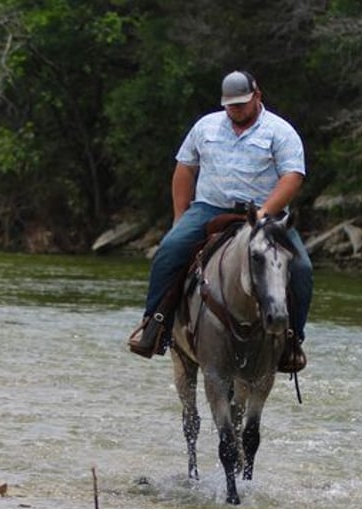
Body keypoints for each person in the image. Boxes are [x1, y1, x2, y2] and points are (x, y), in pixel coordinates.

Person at [127, 70, 312, 373]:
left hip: (265, 215)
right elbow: (185, 168)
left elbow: (292, 177)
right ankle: (155, 325)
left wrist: (266, 212)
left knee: (302, 268)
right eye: (231, 105)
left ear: (257, 96)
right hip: (210, 208)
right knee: (170, 250)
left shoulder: (280, 131)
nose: (236, 109)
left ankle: (291, 340)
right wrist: (179, 216)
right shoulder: (205, 126)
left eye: (241, 103)